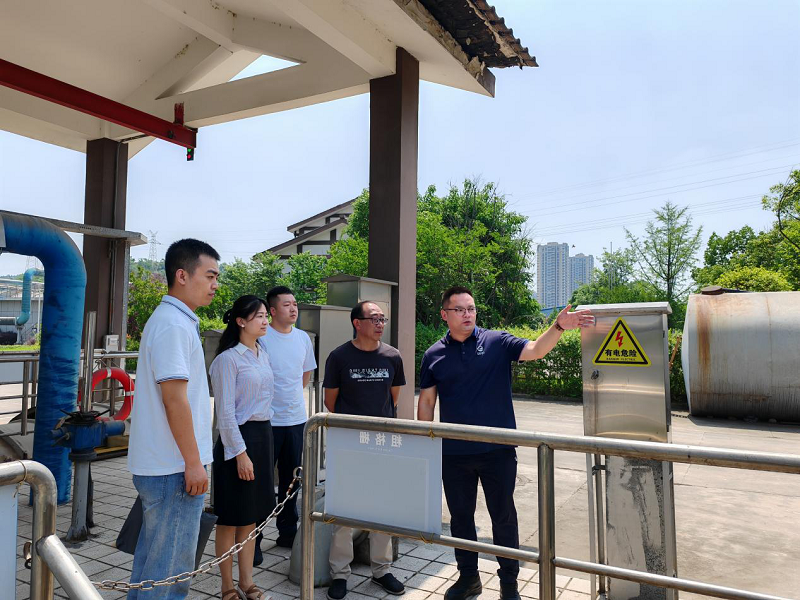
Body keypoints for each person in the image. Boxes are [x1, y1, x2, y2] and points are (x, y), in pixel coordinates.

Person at [417, 286, 594, 600]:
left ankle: (509, 583)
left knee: (503, 517)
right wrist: (426, 447)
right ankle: (468, 578)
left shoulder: (496, 342)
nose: (467, 314)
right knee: (460, 519)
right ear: (444, 314)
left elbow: (535, 350)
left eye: (471, 308)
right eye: (459, 309)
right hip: (454, 453)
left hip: (498, 451)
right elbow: (427, 403)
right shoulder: (433, 355)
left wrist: (558, 327)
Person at [126, 239, 220, 600]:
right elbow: (175, 400)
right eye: (209, 276)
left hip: (168, 466)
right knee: (169, 574)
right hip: (174, 468)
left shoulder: (173, 320)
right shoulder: (173, 325)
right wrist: (193, 463)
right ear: (182, 275)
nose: (215, 284)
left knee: (153, 567)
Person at [323, 301, 407, 600]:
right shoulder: (339, 357)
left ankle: (382, 569)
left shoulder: (392, 356)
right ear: (357, 323)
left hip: (381, 444)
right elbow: (330, 402)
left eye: (382, 319)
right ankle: (340, 573)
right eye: (374, 319)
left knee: (381, 507)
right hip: (348, 443)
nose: (380, 323)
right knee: (344, 509)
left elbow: (393, 399)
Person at [210, 295, 276, 600]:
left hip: (262, 435)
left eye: (265, 316)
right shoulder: (227, 359)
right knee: (229, 518)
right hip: (236, 440)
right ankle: (227, 586)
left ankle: (247, 582)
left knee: (250, 516)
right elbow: (224, 413)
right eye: (258, 316)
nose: (265, 321)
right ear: (240, 321)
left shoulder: (263, 353)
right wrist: (240, 453)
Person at [259, 286, 316, 555]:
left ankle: (287, 532)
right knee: (261, 481)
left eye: (295, 304)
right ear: (272, 310)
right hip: (266, 421)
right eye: (286, 305)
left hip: (295, 420)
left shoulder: (302, 338)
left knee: (292, 480)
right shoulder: (262, 337)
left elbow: (305, 375)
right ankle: (254, 537)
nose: (293, 308)